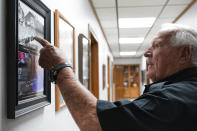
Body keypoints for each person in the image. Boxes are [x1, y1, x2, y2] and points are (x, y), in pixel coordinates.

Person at [35, 23, 197, 131]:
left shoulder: (174, 98)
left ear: (184, 54)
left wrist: (61, 67)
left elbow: (93, 121)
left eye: (156, 46)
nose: (146, 53)